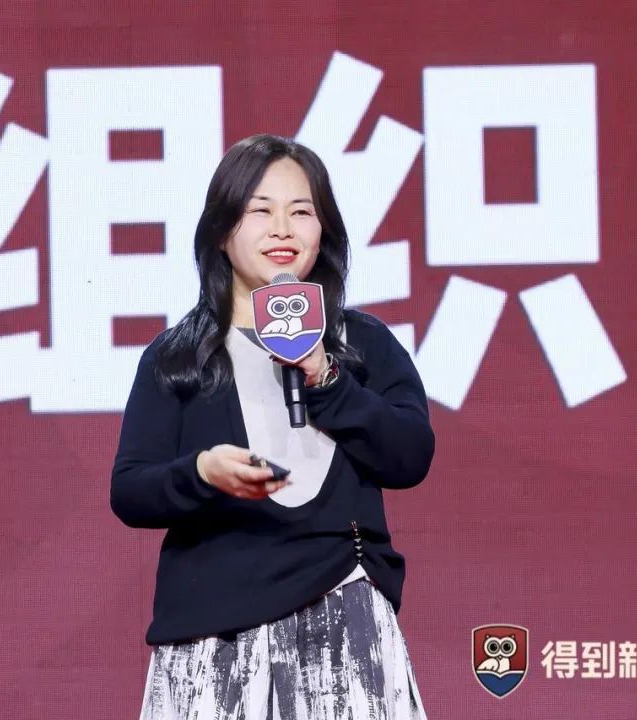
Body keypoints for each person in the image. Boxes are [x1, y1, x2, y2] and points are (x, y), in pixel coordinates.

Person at [111, 134, 434, 719]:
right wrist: (202, 472)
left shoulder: (362, 345)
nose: (282, 229)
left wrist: (328, 377)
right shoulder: (178, 358)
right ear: (221, 231)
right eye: (260, 211)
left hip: (344, 614)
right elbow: (131, 488)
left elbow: (410, 456)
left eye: (301, 212)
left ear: (323, 232)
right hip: (216, 633)